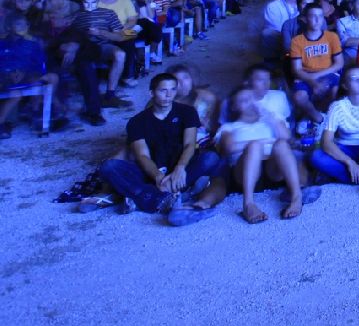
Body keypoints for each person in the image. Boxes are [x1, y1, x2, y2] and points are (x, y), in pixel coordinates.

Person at [84, 72, 223, 216]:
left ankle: (143, 196)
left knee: (210, 158)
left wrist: (179, 169)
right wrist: (158, 177)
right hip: (151, 172)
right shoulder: (137, 122)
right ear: (152, 92)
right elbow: (142, 156)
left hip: (181, 169)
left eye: (173, 89)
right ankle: (161, 196)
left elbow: (189, 144)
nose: (168, 95)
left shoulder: (187, 112)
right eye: (163, 90)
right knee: (109, 166)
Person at [216, 85, 317, 223]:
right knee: (254, 146)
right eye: (244, 100)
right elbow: (228, 148)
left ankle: (296, 197)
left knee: (281, 144)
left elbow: (286, 137)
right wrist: (263, 141)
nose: (250, 102)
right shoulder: (230, 127)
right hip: (244, 173)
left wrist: (271, 118)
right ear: (234, 107)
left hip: (273, 171)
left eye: (251, 98)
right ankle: (248, 204)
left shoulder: (269, 119)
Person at [0, 14, 61, 137]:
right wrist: (9, 71)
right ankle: (1, 122)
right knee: (15, 94)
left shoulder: (32, 43)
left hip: (27, 75)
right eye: (18, 24)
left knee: (52, 77)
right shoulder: (3, 42)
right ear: (10, 27)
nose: (22, 27)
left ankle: (36, 110)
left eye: (25, 24)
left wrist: (27, 71)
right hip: (6, 76)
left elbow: (39, 62)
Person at [288, 5, 343, 133]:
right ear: (306, 19)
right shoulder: (297, 41)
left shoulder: (331, 37)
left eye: (320, 16)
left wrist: (316, 77)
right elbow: (296, 69)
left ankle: (314, 117)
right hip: (306, 75)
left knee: (335, 92)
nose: (317, 20)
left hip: (328, 72)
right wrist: (313, 81)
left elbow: (339, 63)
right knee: (299, 96)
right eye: (313, 16)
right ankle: (319, 119)